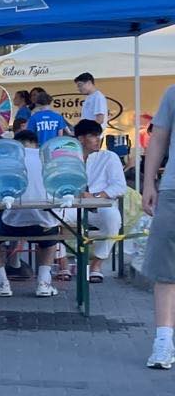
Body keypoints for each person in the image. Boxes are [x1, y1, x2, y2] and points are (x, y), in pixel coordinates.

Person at [0, 132, 60, 297]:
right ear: (36, 144)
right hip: (44, 225)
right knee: (52, 232)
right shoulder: (49, 158)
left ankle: (1, 283)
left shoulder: (7, 160)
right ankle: (44, 284)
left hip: (12, 225)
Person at [141, 82, 175, 368]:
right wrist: (148, 182)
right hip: (173, 189)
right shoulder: (173, 93)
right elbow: (159, 138)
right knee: (165, 266)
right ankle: (163, 340)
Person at [72, 119, 126, 282]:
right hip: (71, 205)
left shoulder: (109, 157)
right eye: (93, 136)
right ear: (81, 139)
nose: (98, 139)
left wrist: (95, 196)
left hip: (100, 205)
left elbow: (119, 186)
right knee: (52, 219)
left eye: (99, 135)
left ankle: (97, 264)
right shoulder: (68, 158)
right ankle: (62, 265)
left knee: (113, 219)